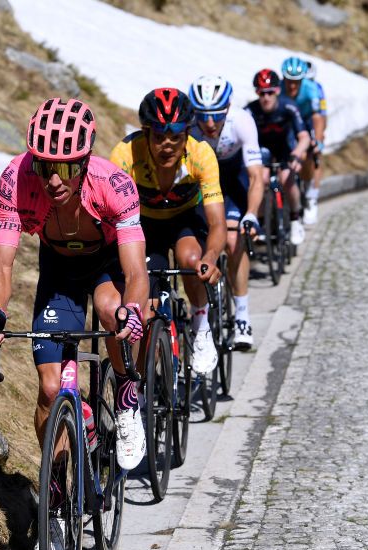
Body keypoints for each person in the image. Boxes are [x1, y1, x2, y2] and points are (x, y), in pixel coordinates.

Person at [0, 98, 149, 475]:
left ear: (84, 163)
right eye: (44, 166)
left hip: (105, 263)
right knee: (51, 388)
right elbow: (1, 261)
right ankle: (55, 492)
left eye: (65, 168)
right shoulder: (16, 178)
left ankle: (125, 392)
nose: (53, 180)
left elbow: (136, 272)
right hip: (58, 268)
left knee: (109, 310)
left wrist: (132, 313)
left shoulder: (114, 184)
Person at [110, 87, 225, 376]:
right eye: (159, 137)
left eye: (176, 137)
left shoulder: (201, 154)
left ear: (187, 134)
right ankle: (145, 377)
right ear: (146, 133)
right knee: (146, 300)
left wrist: (210, 257)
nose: (167, 145)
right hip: (143, 226)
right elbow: (111, 218)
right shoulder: (125, 155)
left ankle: (201, 324)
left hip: (184, 220)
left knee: (191, 259)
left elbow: (217, 222)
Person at [189, 75, 264, 351]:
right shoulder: (189, 126)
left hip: (232, 181)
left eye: (216, 115)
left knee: (234, 241)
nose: (209, 123)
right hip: (201, 184)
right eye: (203, 115)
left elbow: (256, 177)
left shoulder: (242, 121)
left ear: (228, 107)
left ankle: (242, 315)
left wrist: (252, 214)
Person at [245, 69, 312, 246]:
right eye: (261, 92)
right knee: (262, 178)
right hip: (263, 148)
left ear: (277, 91)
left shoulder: (288, 106)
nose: (266, 97)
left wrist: (297, 154)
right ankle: (260, 222)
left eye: (270, 92)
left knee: (286, 178)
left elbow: (304, 137)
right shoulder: (250, 111)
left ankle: (295, 219)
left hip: (286, 147)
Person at [281, 56, 328, 225]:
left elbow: (318, 118)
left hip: (307, 120)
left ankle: (310, 194)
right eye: (288, 81)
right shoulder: (279, 89)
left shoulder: (311, 89)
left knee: (310, 151)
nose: (292, 85)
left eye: (296, 81)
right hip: (288, 120)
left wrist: (319, 140)